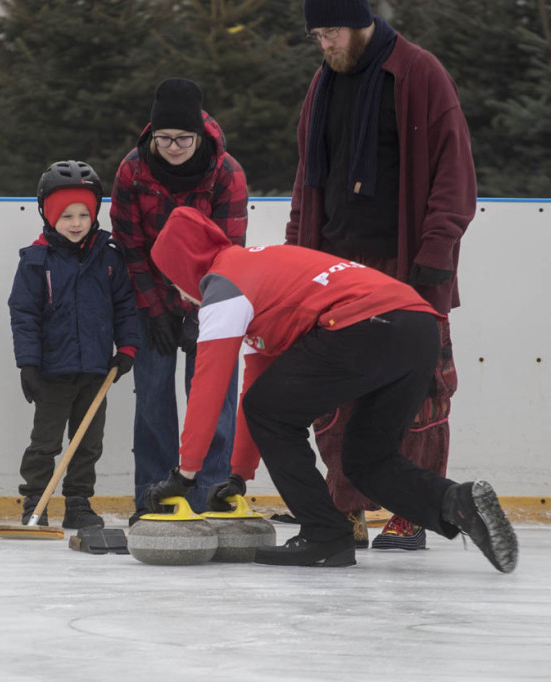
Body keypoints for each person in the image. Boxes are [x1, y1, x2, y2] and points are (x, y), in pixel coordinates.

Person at [144, 206, 517, 573]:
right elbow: (256, 383)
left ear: (185, 268)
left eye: (174, 282)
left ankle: (325, 533)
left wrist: (185, 474)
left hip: (367, 324)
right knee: (366, 460)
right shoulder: (259, 269)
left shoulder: (222, 289)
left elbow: (209, 386)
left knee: (269, 410)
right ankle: (457, 502)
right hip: (417, 328)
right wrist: (240, 474)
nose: (181, 294)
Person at [285, 0, 477, 550]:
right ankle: (345, 506)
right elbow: (307, 182)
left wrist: (434, 259)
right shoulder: (323, 86)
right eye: (316, 36)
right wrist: (298, 260)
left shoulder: (420, 74)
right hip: (337, 269)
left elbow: (455, 174)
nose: (323, 46)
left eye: (330, 34)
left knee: (419, 395)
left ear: (359, 22)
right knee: (335, 394)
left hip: (407, 268)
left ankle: (411, 512)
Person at [110, 77, 248, 521]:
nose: (172, 147)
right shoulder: (132, 171)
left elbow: (229, 253)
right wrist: (155, 311)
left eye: (182, 139)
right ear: (151, 133)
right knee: (152, 395)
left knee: (214, 397)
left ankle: (211, 493)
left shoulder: (227, 173)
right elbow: (129, 244)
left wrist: (198, 314)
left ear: (199, 134)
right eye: (164, 138)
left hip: (212, 299)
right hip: (149, 296)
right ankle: (156, 495)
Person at [8, 160, 141, 529]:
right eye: (66, 215)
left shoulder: (110, 257)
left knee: (88, 443)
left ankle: (79, 501)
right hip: (52, 371)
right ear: (49, 216)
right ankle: (36, 498)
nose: (77, 222)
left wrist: (128, 348)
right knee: (45, 442)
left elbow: (126, 307)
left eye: (84, 213)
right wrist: (28, 364)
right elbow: (24, 315)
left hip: (97, 369)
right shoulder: (36, 261)